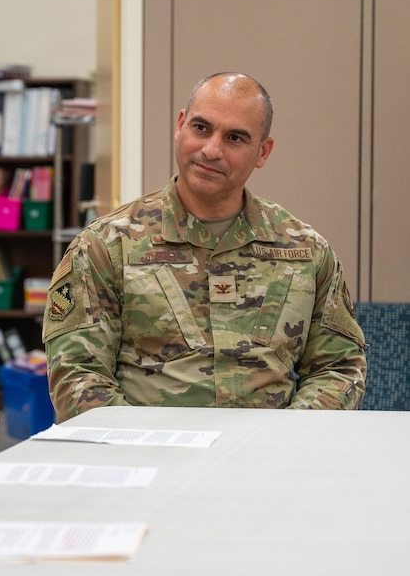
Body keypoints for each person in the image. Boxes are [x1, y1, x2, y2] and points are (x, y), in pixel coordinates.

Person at [43, 72, 367, 422]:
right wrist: (143, 445)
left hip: (269, 461)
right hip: (150, 459)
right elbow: (77, 375)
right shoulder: (107, 245)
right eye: (201, 128)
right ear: (180, 126)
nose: (211, 150)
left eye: (235, 138)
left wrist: (286, 442)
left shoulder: (306, 252)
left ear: (263, 152)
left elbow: (338, 367)